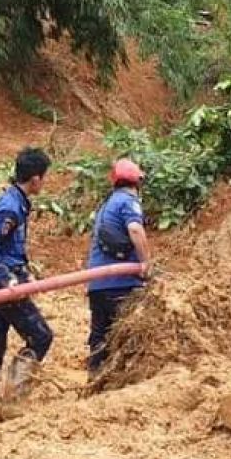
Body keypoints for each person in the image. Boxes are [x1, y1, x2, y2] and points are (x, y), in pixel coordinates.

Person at [0, 147, 53, 425]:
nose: (44, 183)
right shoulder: (9, 207)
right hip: (4, 289)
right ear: (34, 179)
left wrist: (24, 271)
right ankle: (13, 399)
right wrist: (9, 278)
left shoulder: (16, 202)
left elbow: (10, 248)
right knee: (41, 337)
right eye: (44, 178)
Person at [85, 159, 152, 381]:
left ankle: (94, 381)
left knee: (99, 336)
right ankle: (122, 384)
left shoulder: (106, 205)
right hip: (121, 284)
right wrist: (145, 264)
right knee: (128, 336)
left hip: (97, 284)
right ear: (137, 182)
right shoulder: (128, 201)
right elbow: (135, 230)